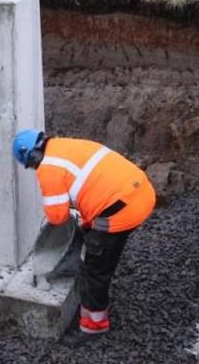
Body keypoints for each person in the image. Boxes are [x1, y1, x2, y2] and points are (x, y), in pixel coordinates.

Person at [11, 129, 156, 347]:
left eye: (31, 165)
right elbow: (92, 184)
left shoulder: (49, 169)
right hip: (140, 192)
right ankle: (96, 288)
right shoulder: (66, 145)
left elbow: (58, 217)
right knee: (93, 237)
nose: (34, 169)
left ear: (32, 156)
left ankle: (93, 327)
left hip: (122, 209)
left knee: (95, 268)